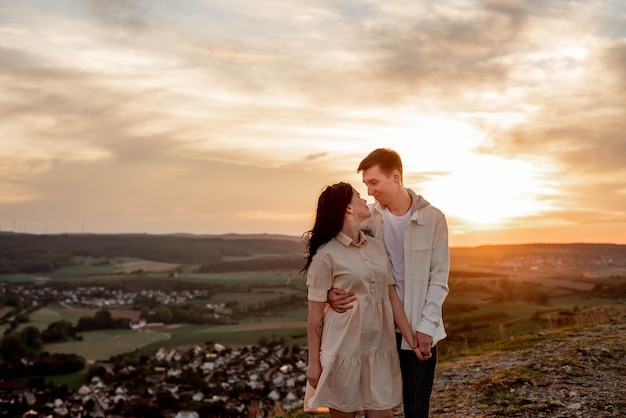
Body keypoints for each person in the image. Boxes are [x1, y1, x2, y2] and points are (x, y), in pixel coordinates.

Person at [328, 148, 450, 418]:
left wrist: (427, 327)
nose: (369, 191)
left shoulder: (433, 219)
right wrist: (328, 292)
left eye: (374, 182)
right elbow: (334, 252)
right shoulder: (366, 218)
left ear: (395, 176)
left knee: (417, 407)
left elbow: (439, 279)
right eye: (366, 185)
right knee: (375, 404)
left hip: (420, 328)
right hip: (376, 328)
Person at [302, 182, 421, 418]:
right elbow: (314, 315)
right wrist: (313, 363)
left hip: (378, 348)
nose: (365, 199)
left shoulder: (377, 248)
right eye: (358, 196)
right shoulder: (325, 255)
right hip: (342, 349)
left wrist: (411, 340)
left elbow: (391, 297)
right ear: (348, 208)